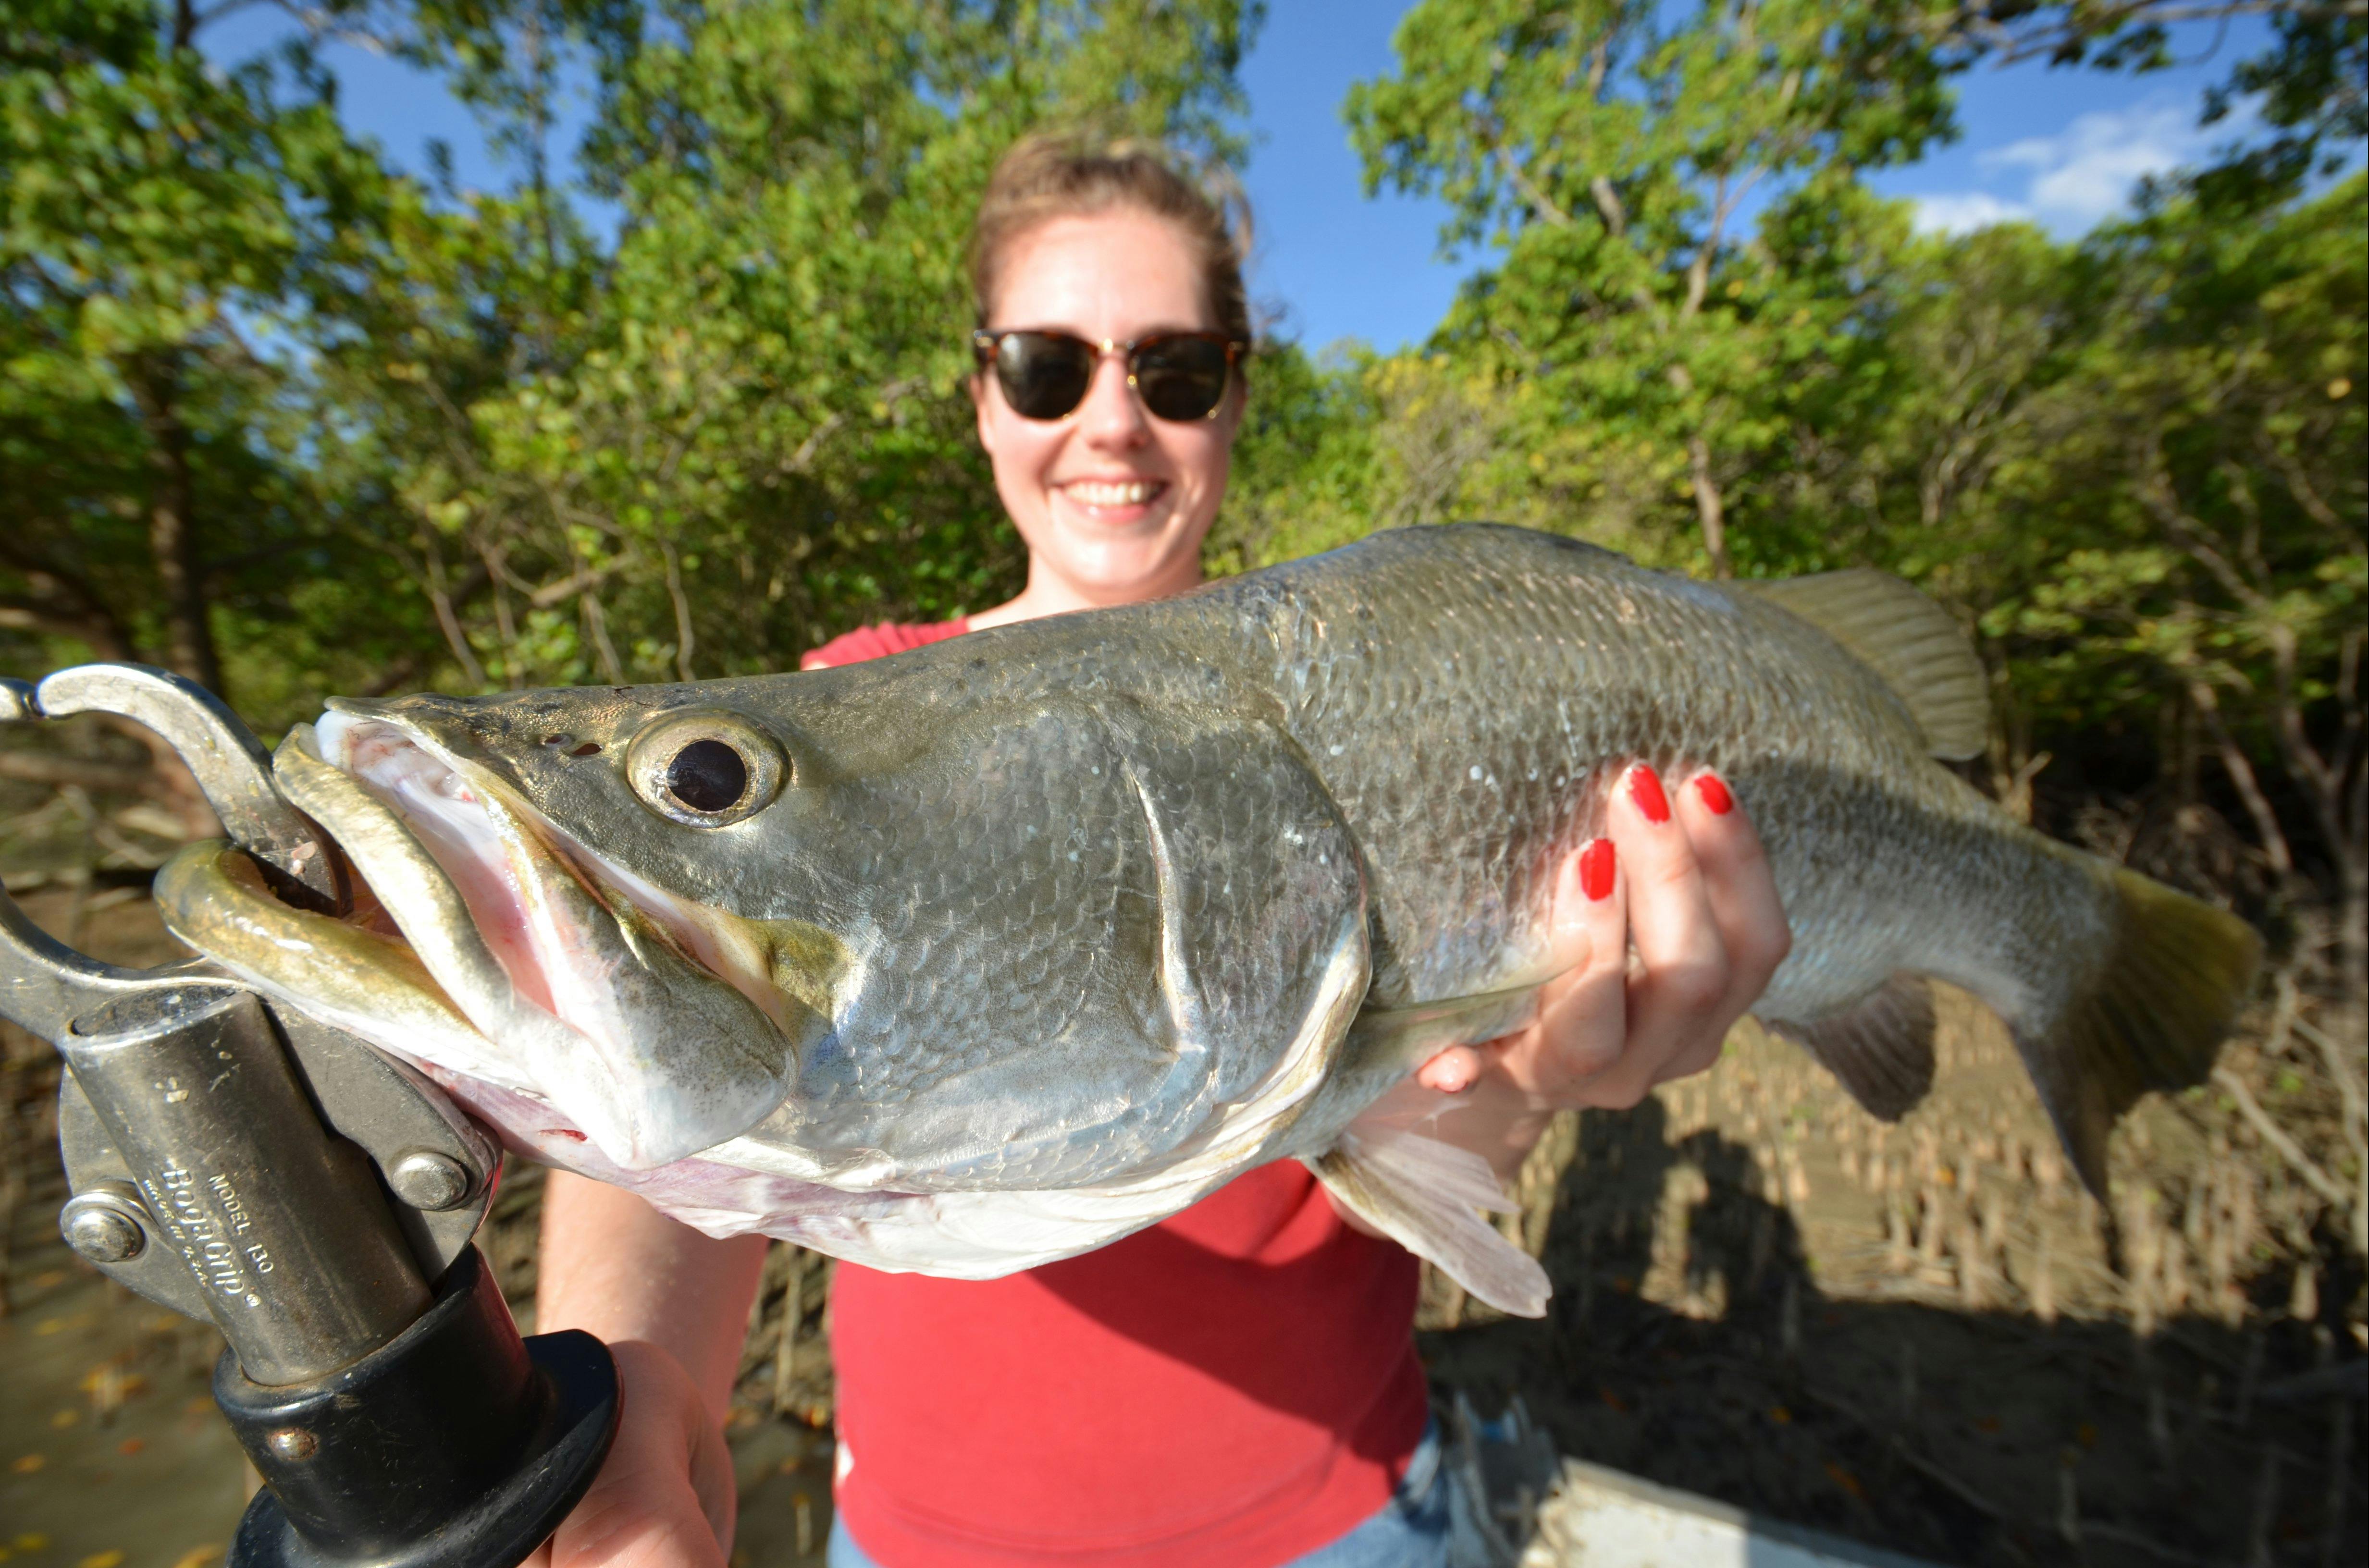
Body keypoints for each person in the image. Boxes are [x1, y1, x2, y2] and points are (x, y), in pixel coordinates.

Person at [526, 135, 1791, 1568]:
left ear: (1235, 397)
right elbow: (664, 1061)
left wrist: (1539, 1078)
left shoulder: (1396, 696)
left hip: (1347, 1525)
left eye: (1175, 371)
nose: (1113, 422)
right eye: (1047, 369)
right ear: (984, 401)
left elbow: (1430, 1157)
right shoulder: (843, 711)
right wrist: (629, 1393)